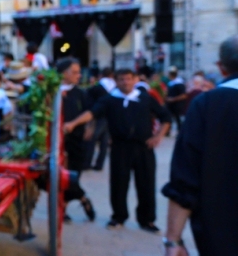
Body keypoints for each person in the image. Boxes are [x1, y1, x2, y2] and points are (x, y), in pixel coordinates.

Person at [162, 35, 238, 256]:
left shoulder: (208, 106)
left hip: (228, 250)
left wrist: (173, 240)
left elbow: (185, 183)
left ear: (221, 66)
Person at [63, 68, 171, 232]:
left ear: (135, 80)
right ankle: (118, 216)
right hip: (120, 148)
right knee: (119, 183)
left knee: (146, 183)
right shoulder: (110, 100)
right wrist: (73, 124)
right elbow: (92, 113)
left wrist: (158, 136)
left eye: (128, 79)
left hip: (143, 148)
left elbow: (165, 118)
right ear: (116, 81)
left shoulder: (145, 98)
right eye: (121, 79)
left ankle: (147, 219)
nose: (125, 82)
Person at [55, 58, 96, 222]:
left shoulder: (81, 93)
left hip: (76, 141)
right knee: (57, 176)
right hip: (55, 141)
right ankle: (82, 198)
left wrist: (89, 127)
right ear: (64, 73)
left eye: (79, 72)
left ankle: (66, 206)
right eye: (75, 72)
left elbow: (90, 113)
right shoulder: (51, 91)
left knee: (73, 174)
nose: (79, 75)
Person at [84, 68, 114, 171]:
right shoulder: (115, 86)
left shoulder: (97, 87)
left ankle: (87, 162)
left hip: (97, 115)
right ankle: (99, 164)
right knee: (104, 142)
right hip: (110, 116)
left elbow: (88, 99)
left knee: (91, 139)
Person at [165, 67, 186, 134]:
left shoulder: (179, 83)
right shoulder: (171, 83)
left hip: (177, 104)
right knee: (168, 117)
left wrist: (173, 99)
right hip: (170, 105)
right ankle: (167, 131)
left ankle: (180, 132)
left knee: (178, 119)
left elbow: (183, 95)